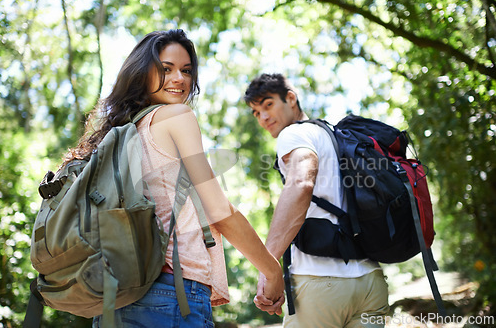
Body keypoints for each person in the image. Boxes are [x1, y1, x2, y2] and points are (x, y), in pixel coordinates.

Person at [64, 29, 284, 327]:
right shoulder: (177, 117)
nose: (179, 78)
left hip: (115, 299)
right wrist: (272, 271)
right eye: (166, 69)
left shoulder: (121, 134)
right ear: (142, 72)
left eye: (186, 70)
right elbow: (219, 210)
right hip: (170, 294)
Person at [244, 73, 390, 327]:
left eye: (268, 105)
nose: (263, 117)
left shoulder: (293, 135)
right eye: (256, 113)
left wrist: (269, 265)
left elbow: (301, 183)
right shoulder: (333, 136)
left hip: (320, 284)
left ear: (290, 98)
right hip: (371, 281)